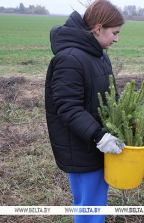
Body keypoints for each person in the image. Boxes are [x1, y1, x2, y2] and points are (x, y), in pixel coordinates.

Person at [44, 0, 125, 222]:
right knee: (89, 204)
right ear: (98, 28)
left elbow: (110, 94)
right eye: (115, 33)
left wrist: (125, 116)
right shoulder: (69, 59)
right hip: (81, 145)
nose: (117, 39)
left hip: (95, 143)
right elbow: (67, 107)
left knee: (95, 199)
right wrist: (99, 136)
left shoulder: (99, 55)